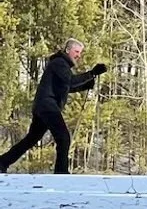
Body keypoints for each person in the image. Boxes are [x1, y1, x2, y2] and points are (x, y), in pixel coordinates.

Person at [0, 39, 107, 174]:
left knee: (31, 139)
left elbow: (66, 86)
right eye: (76, 51)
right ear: (67, 50)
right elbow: (70, 81)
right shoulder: (59, 63)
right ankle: (61, 172)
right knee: (63, 138)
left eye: (80, 52)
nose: (78, 55)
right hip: (47, 106)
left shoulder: (60, 64)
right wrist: (92, 73)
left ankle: (3, 162)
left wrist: (85, 85)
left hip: (43, 106)